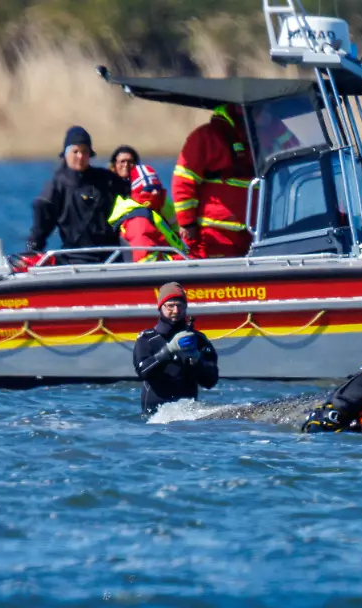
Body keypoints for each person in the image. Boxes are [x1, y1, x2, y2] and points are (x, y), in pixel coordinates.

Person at [27, 126, 130, 263]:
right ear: (65, 153)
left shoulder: (107, 180)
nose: (80, 156)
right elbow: (39, 231)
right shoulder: (55, 187)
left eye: (84, 151)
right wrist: (31, 253)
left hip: (112, 257)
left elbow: (134, 200)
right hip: (74, 259)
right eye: (75, 151)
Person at [171, 104, 256, 259]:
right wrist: (187, 223)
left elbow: (293, 153)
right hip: (214, 236)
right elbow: (183, 181)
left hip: (253, 233)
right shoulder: (204, 136)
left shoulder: (261, 132)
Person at [133, 282, 219, 414]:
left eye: (180, 306)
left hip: (188, 415)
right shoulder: (147, 339)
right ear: (161, 307)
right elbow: (142, 371)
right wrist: (167, 351)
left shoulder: (198, 339)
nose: (176, 311)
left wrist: (198, 360)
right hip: (154, 416)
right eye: (170, 306)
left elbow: (210, 381)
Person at [110, 164, 188, 262]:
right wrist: (178, 260)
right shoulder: (138, 220)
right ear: (137, 192)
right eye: (148, 189)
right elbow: (145, 258)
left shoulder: (159, 210)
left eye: (157, 187)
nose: (155, 192)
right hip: (159, 274)